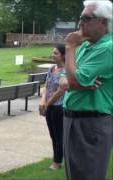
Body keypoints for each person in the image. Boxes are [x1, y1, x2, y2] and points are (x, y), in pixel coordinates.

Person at [62, 0, 113, 179]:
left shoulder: (108, 48)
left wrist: (69, 47)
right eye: (80, 17)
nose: (80, 22)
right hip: (74, 120)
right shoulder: (87, 45)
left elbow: (73, 80)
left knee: (88, 175)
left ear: (104, 22)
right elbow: (66, 79)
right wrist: (71, 82)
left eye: (86, 18)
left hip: (91, 123)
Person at [39, 44, 66, 170]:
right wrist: (43, 100)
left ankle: (57, 162)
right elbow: (47, 85)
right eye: (53, 52)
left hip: (58, 107)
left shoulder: (66, 71)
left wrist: (47, 104)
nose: (53, 55)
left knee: (59, 135)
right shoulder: (52, 68)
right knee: (52, 135)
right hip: (49, 106)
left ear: (63, 56)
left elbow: (60, 91)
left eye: (56, 53)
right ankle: (56, 158)